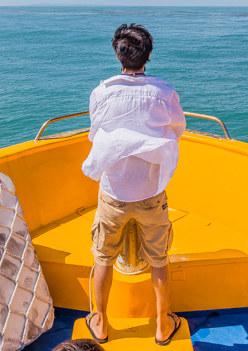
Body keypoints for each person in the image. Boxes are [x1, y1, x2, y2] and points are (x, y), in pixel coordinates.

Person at [81, 24, 187, 346]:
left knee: (103, 258)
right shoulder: (164, 93)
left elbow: (94, 134)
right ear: (148, 56)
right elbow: (177, 129)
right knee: (159, 260)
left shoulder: (101, 92)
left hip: (113, 191)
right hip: (151, 192)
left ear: (118, 54)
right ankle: (162, 326)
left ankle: (100, 321)